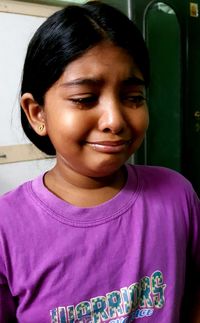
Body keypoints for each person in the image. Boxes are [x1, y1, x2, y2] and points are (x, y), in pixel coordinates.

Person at [0, 1, 199, 322]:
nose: (115, 120)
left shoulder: (178, 195)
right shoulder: (6, 227)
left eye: (133, 98)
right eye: (85, 99)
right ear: (37, 113)